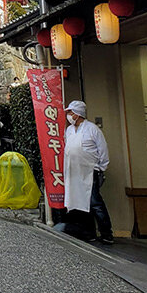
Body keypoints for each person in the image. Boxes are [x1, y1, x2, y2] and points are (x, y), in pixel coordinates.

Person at [63, 100, 113, 244]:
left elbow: (103, 150)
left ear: (78, 114)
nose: (69, 115)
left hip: (90, 171)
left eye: (71, 112)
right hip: (74, 172)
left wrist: (101, 168)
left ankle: (106, 233)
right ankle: (88, 232)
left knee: (95, 203)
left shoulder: (93, 129)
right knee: (80, 203)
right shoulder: (69, 130)